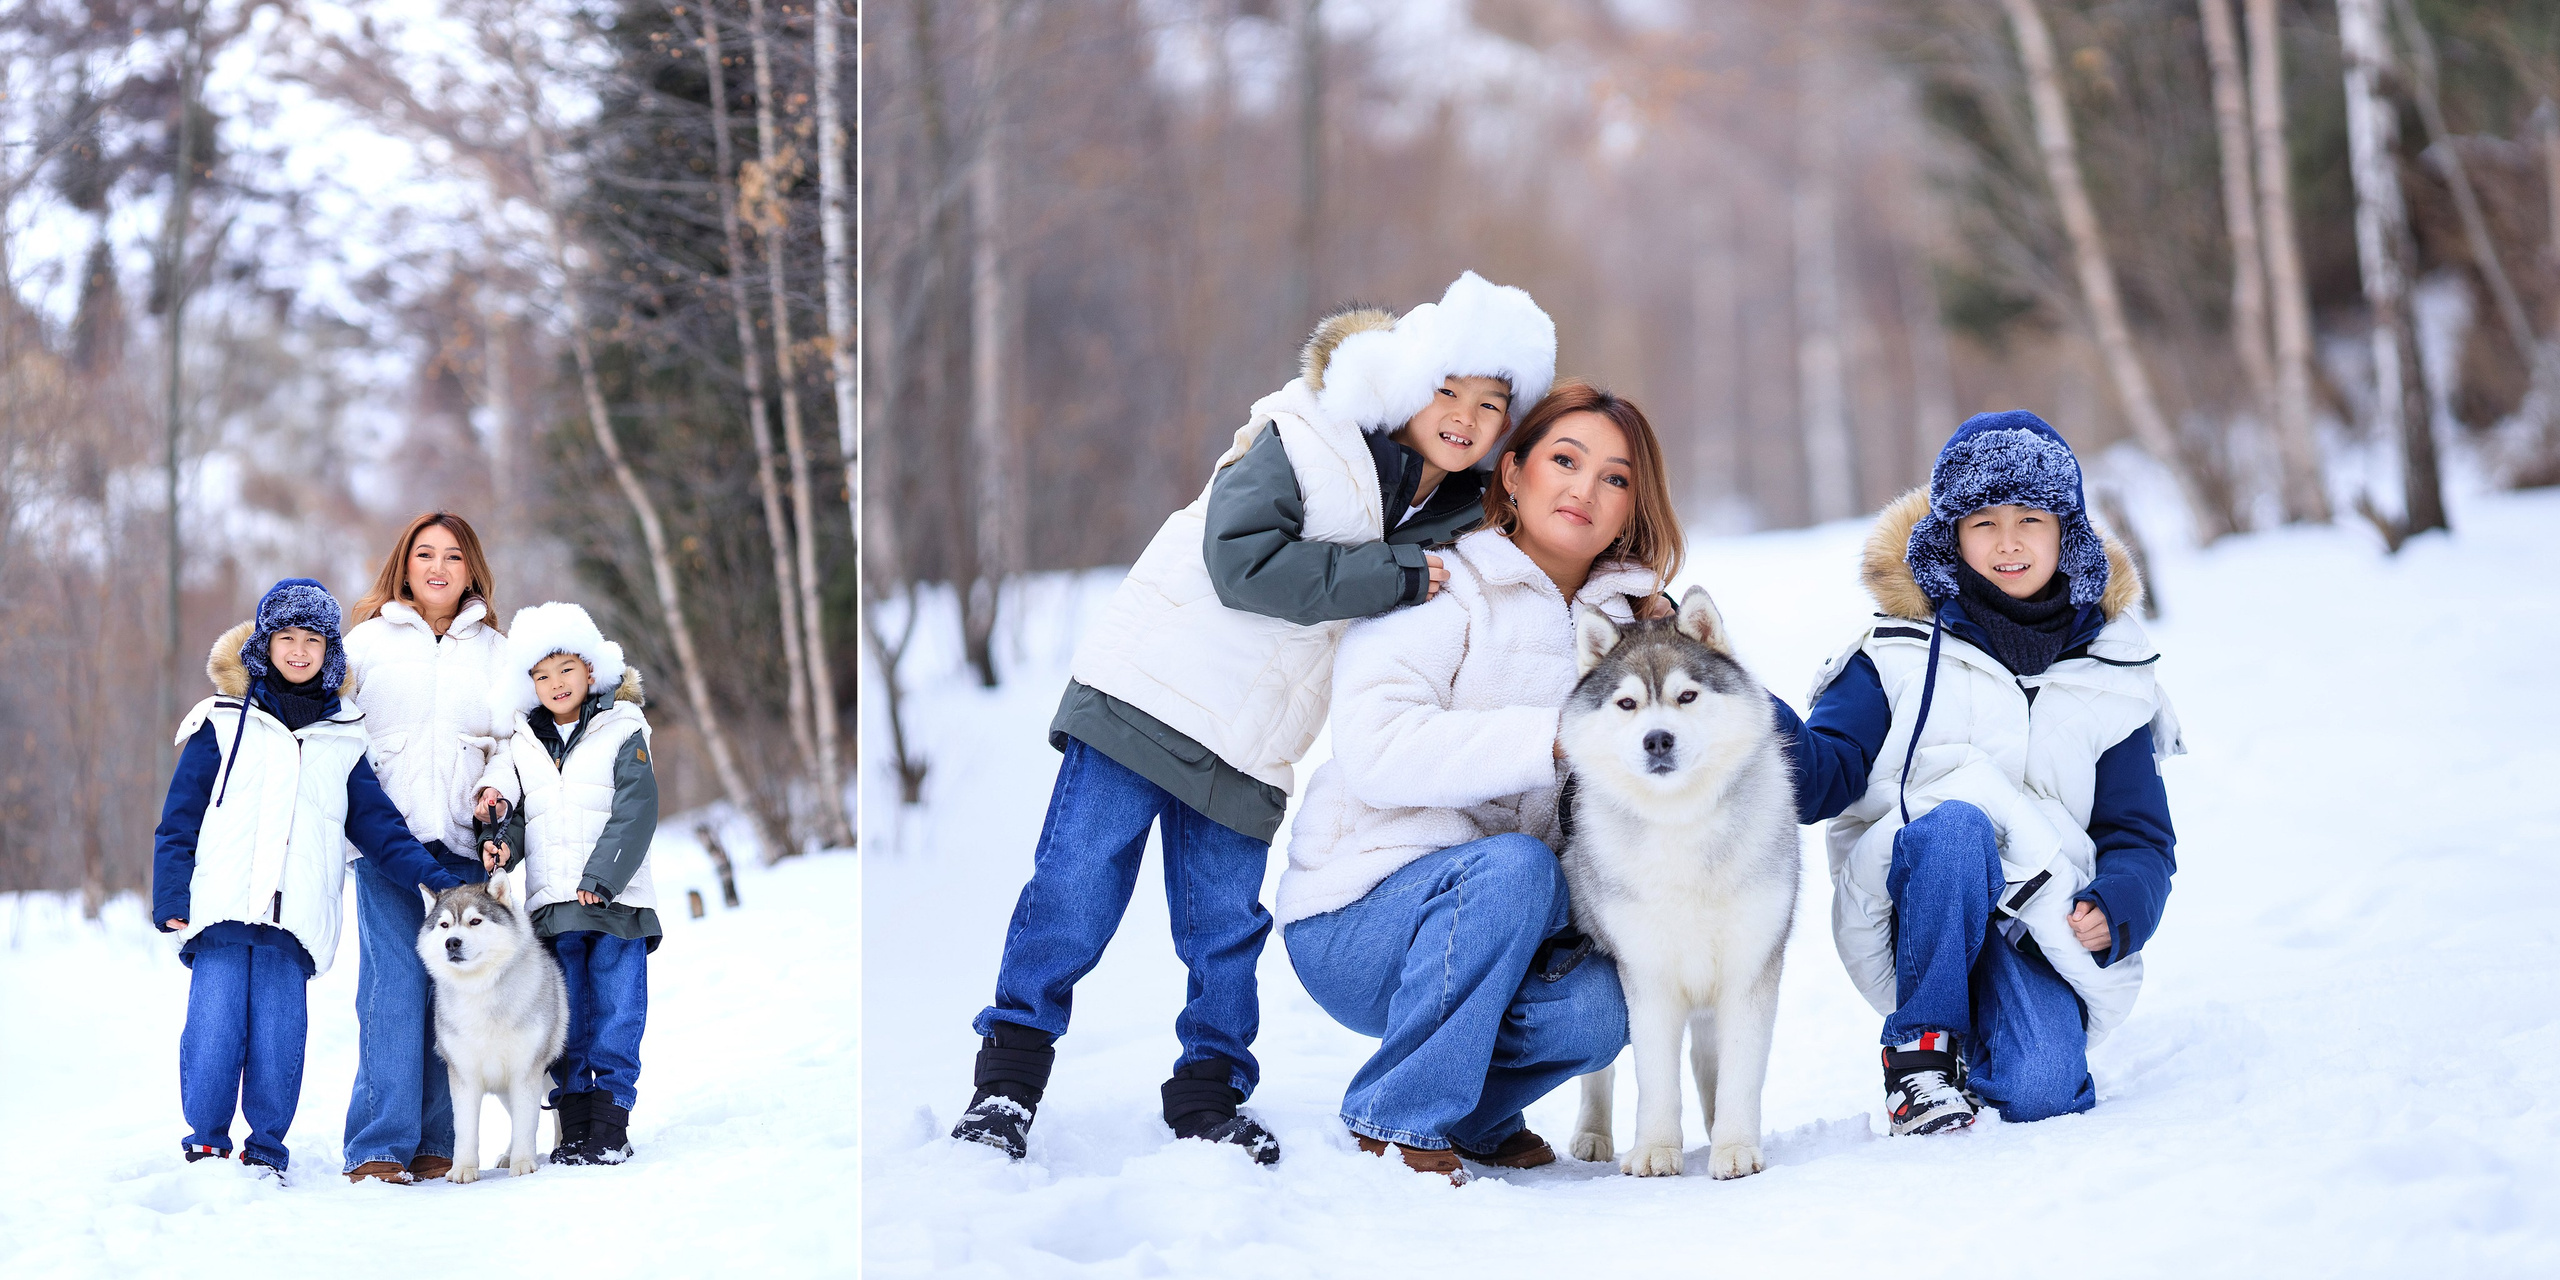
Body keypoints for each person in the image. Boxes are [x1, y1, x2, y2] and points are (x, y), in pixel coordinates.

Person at [953, 271, 1559, 1164]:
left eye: (1491, 404)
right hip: (1146, 701)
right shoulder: (1309, 432)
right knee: (1074, 890)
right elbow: (1240, 561)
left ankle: (1208, 1094)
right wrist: (1388, 577)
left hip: (1252, 744)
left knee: (1224, 927)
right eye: (1448, 390)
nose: (1464, 415)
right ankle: (1006, 1086)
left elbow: (1550, 540)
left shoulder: (1459, 516)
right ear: (1411, 377)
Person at [1277, 380, 1685, 1180]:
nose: (1584, 489)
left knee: (1609, 1001)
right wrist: (1559, 739)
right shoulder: (1443, 584)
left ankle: (1471, 1116)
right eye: (1564, 460)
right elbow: (1373, 745)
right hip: (1362, 914)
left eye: (1615, 477)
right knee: (1515, 868)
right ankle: (1394, 1118)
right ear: (1512, 474)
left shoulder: (1637, 629)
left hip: (1512, 931)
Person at [1779, 410, 2183, 1135]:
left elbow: (2139, 834)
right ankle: (1920, 1056)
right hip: (1917, 902)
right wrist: (1747, 716)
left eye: (2031, 518)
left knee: (2043, 1092)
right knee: (1959, 821)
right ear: (1950, 538)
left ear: (2068, 531)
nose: (2008, 543)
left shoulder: (2113, 673)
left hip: (2039, 920)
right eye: (1982, 522)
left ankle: (1981, 1046)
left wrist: (2121, 903)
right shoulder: (1893, 653)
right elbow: (1820, 780)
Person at [151, 579, 469, 1179]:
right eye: (287, 638)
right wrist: (169, 892)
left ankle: (267, 1146)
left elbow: (380, 829)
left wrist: (434, 878)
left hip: (293, 922)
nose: (299, 651)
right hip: (217, 912)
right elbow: (178, 821)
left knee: (279, 1041)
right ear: (264, 644)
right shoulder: (220, 723)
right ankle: (208, 1142)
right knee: (213, 1032)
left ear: (330, 651)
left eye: (314, 640)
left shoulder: (345, 738)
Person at [339, 512, 520, 1184]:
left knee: (458, 998)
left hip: (464, 853)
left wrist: (495, 788)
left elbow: (512, 746)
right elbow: (340, 740)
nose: (438, 568)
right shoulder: (364, 644)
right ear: (404, 565)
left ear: (471, 569)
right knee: (391, 992)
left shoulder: (499, 654)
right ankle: (379, 1145)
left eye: (452, 556)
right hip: (387, 845)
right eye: (424, 555)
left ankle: (437, 1140)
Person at [482, 601, 663, 1166]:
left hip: (617, 906)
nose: (556, 684)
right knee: (565, 1017)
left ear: (592, 671)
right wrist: (503, 846)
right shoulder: (524, 741)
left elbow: (637, 808)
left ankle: (610, 1120)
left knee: (615, 1011)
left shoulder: (623, 727)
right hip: (554, 909)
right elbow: (519, 815)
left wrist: (603, 878)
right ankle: (576, 1124)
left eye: (566, 670)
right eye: (541, 675)